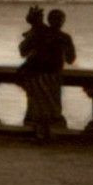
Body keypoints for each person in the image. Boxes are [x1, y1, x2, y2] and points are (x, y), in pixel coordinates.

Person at [19, 8, 75, 142]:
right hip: (52, 75)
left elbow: (23, 51)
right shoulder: (64, 37)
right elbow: (70, 59)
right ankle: (44, 133)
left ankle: (41, 133)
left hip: (38, 75)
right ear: (62, 22)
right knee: (49, 105)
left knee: (39, 105)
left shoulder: (40, 33)